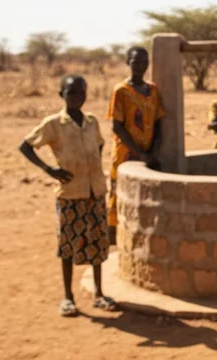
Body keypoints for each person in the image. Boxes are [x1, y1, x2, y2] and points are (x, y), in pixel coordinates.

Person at [19, 75, 117, 317]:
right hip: (71, 193)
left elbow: (100, 144)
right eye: (72, 93)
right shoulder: (53, 124)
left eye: (81, 93)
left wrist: (91, 166)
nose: (77, 98)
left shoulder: (91, 121)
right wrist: (49, 169)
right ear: (61, 94)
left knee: (97, 243)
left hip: (95, 191)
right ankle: (68, 297)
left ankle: (99, 294)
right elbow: (25, 146)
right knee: (67, 245)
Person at [107, 46, 164, 245]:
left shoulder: (153, 90)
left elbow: (158, 122)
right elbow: (117, 126)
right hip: (127, 153)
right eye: (135, 62)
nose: (140, 66)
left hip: (148, 153)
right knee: (118, 194)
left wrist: (153, 151)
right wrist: (139, 153)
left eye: (143, 62)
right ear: (127, 63)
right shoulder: (121, 91)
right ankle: (114, 242)